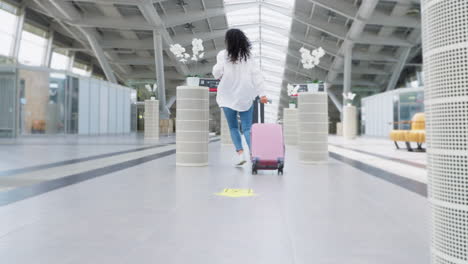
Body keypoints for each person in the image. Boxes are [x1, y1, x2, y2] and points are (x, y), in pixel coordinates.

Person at [212, 28, 268, 166]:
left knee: (233, 127)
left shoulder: (223, 55)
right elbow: (256, 75)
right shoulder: (248, 57)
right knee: (248, 128)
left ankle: (240, 154)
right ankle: (254, 155)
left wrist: (221, 69)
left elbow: (216, 73)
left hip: (227, 95)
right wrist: (262, 94)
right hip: (245, 95)